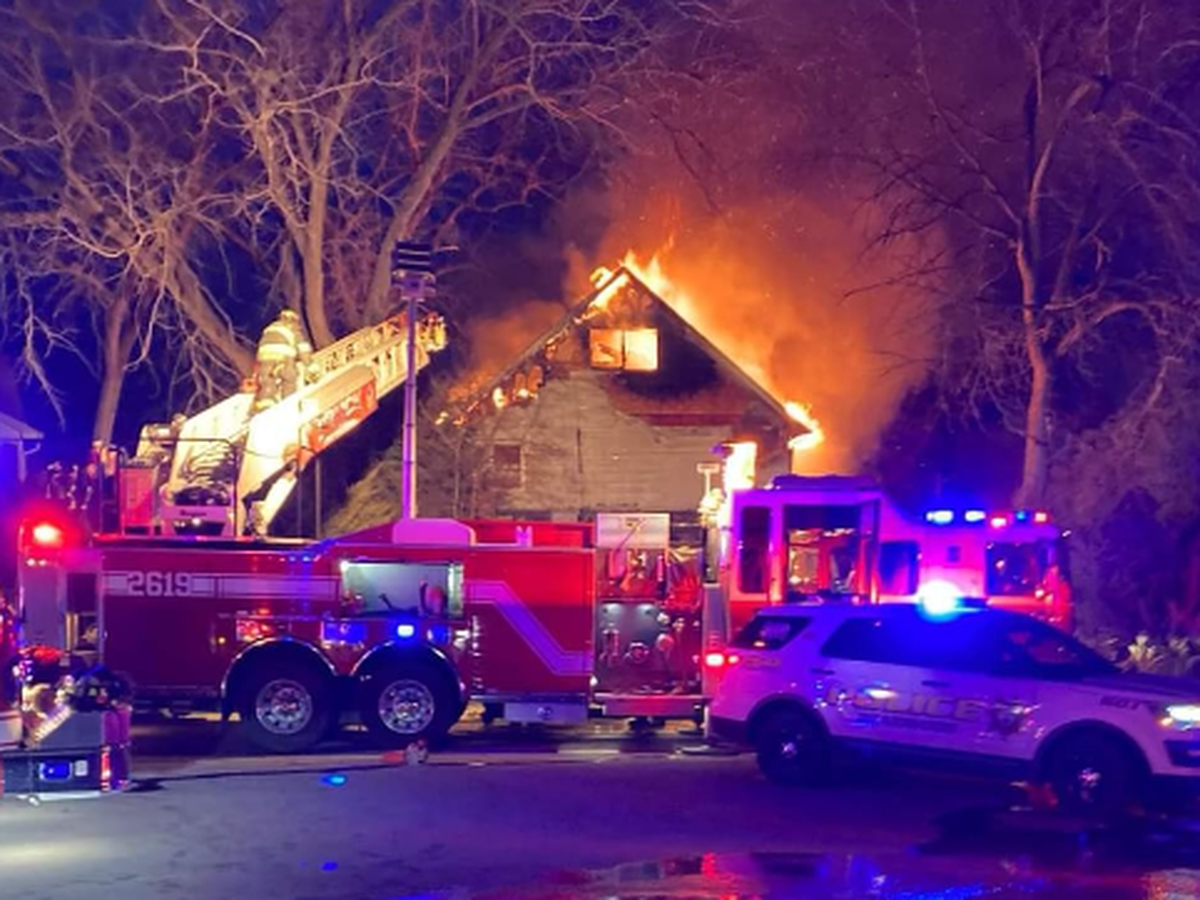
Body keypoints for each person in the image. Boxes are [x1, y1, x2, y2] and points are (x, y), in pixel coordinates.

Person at [254, 310, 313, 412]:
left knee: (267, 382)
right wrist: (310, 365)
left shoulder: (270, 329)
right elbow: (303, 349)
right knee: (289, 377)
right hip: (283, 358)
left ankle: (265, 405)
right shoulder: (292, 330)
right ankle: (289, 402)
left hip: (264, 358)